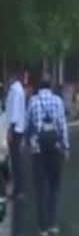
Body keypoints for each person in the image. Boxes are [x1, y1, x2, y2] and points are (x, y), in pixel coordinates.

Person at [25, 75, 69, 236]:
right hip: (55, 149)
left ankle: (42, 228)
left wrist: (28, 143)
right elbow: (62, 125)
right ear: (50, 86)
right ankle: (53, 224)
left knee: (41, 188)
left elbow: (27, 122)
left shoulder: (33, 101)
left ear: (39, 86)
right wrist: (66, 147)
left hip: (38, 150)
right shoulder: (58, 101)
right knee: (54, 187)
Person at [5, 68, 28, 200]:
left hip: (15, 130)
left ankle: (18, 190)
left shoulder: (15, 91)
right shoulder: (19, 90)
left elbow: (13, 112)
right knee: (16, 161)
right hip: (19, 129)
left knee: (15, 161)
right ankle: (19, 189)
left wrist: (10, 131)